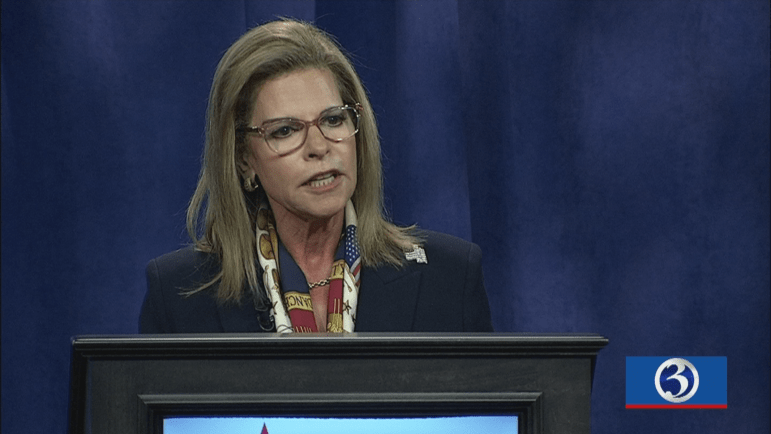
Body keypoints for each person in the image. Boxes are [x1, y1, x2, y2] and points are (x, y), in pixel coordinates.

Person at [139, 19, 493, 334]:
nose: (319, 147)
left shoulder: (450, 279)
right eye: (285, 131)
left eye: (333, 120)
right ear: (244, 159)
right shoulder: (178, 297)